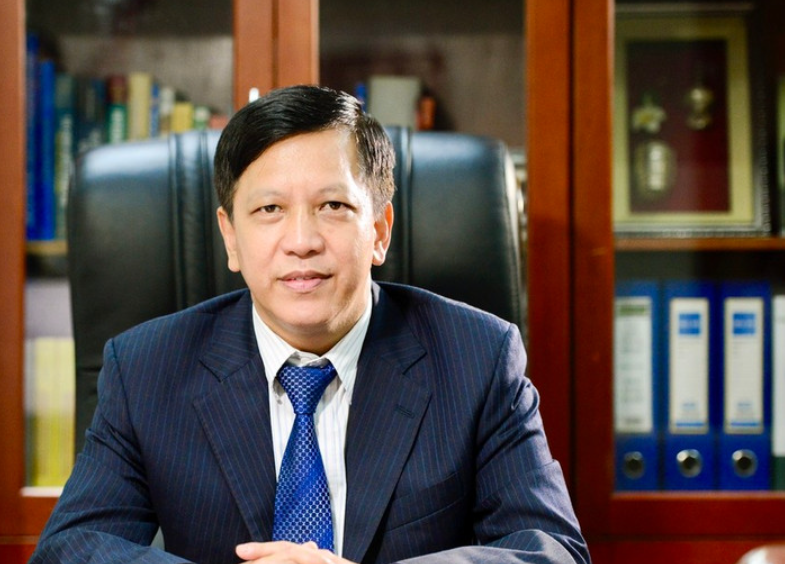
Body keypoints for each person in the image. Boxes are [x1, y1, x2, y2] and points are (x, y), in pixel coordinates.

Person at [29, 85, 590, 564]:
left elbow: (553, 551)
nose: (301, 242)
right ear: (230, 237)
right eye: (269, 210)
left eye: (333, 207)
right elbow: (70, 549)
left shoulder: (477, 358)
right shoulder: (146, 368)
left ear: (380, 230)